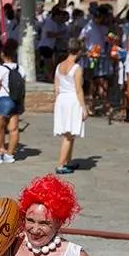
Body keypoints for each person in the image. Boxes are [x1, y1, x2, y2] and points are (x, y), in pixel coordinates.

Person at [0, 38, 24, 165]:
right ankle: (10, 155)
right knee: (13, 129)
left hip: (3, 100)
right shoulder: (20, 68)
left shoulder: (0, 69)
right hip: (16, 100)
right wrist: (22, 104)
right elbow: (22, 88)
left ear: (2, 54)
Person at [53, 38, 88, 175]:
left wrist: (57, 102)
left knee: (71, 133)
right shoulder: (77, 68)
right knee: (68, 135)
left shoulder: (59, 66)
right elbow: (79, 89)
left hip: (62, 99)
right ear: (78, 52)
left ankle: (68, 160)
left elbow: (56, 86)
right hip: (72, 99)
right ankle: (61, 164)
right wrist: (84, 107)